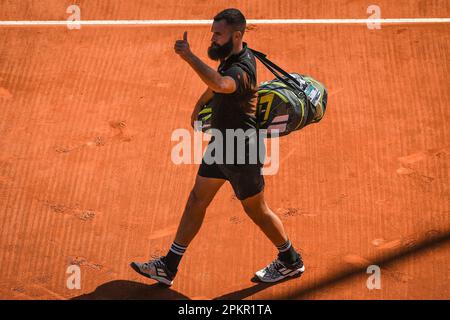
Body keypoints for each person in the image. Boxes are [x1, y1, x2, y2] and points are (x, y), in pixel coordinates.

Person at [131, 8, 304, 286]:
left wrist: (189, 57)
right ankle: (168, 266)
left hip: (241, 150)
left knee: (256, 210)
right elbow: (217, 83)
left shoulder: (242, 67)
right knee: (197, 200)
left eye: (218, 34)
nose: (212, 38)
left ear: (236, 35)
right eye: (213, 32)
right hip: (222, 144)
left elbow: (223, 83)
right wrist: (200, 102)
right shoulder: (230, 56)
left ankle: (290, 261)